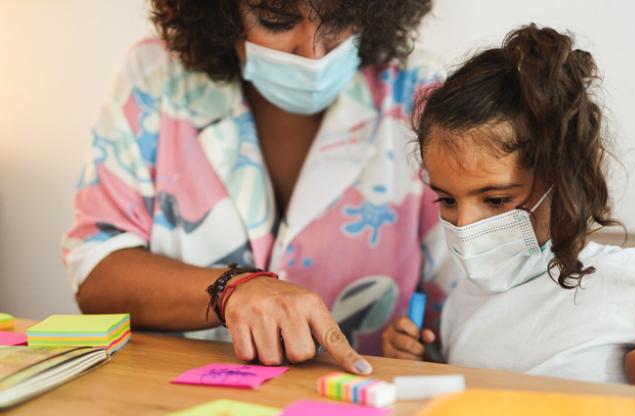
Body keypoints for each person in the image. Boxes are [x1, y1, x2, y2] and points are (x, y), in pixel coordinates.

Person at [63, 0, 459, 375]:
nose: (313, 54)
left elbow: (463, 297)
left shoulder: (417, 95)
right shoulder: (156, 77)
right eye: (277, 19)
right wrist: (229, 290)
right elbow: (97, 271)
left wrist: (420, 348)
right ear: (221, 13)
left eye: (338, 20)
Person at [383, 24, 635, 390]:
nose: (464, 224)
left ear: (561, 181)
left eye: (495, 200)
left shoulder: (632, 281)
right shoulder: (464, 299)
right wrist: (422, 365)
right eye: (447, 200)